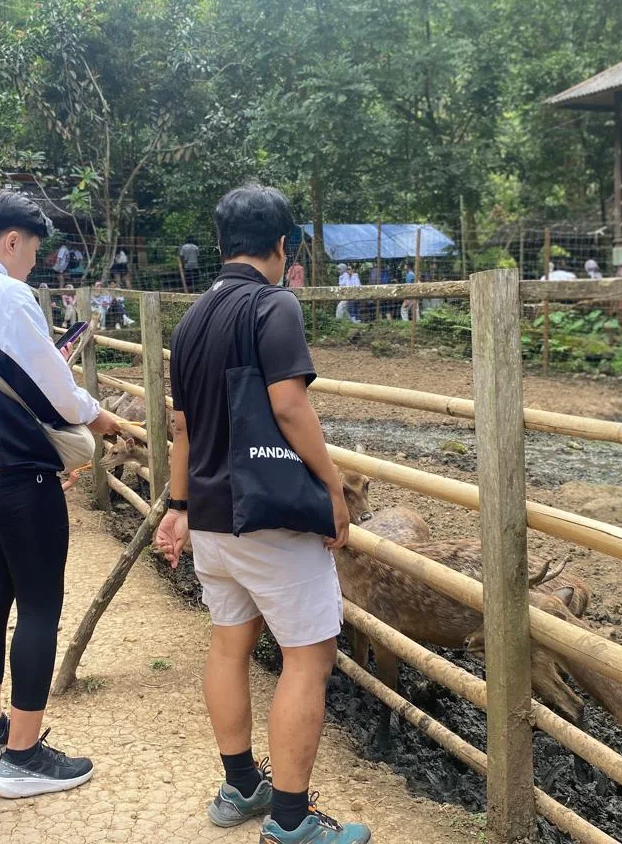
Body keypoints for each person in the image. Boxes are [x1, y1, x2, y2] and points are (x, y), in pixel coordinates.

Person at [156, 185, 368, 844]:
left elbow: (183, 427)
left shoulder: (191, 319)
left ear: (221, 245)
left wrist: (179, 506)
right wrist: (334, 489)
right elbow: (288, 405)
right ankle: (291, 819)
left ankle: (241, 784)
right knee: (309, 657)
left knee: (229, 643)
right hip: (270, 518)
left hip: (211, 519)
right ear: (283, 245)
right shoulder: (274, 304)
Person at [0, 190, 126, 797]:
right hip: (15, 473)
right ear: (12, 240)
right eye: (34, 250)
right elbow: (54, 386)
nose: (34, 263)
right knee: (39, 606)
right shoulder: (7, 296)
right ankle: (24, 756)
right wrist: (98, 417)